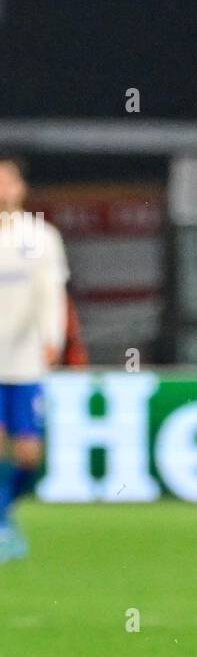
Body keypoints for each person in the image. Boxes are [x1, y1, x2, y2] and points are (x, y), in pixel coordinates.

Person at [0, 156, 69, 560]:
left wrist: (52, 337)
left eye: (7, 180)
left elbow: (52, 292)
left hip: (25, 359)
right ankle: (3, 524)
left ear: (21, 187)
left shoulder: (42, 236)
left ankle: (5, 509)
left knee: (28, 453)